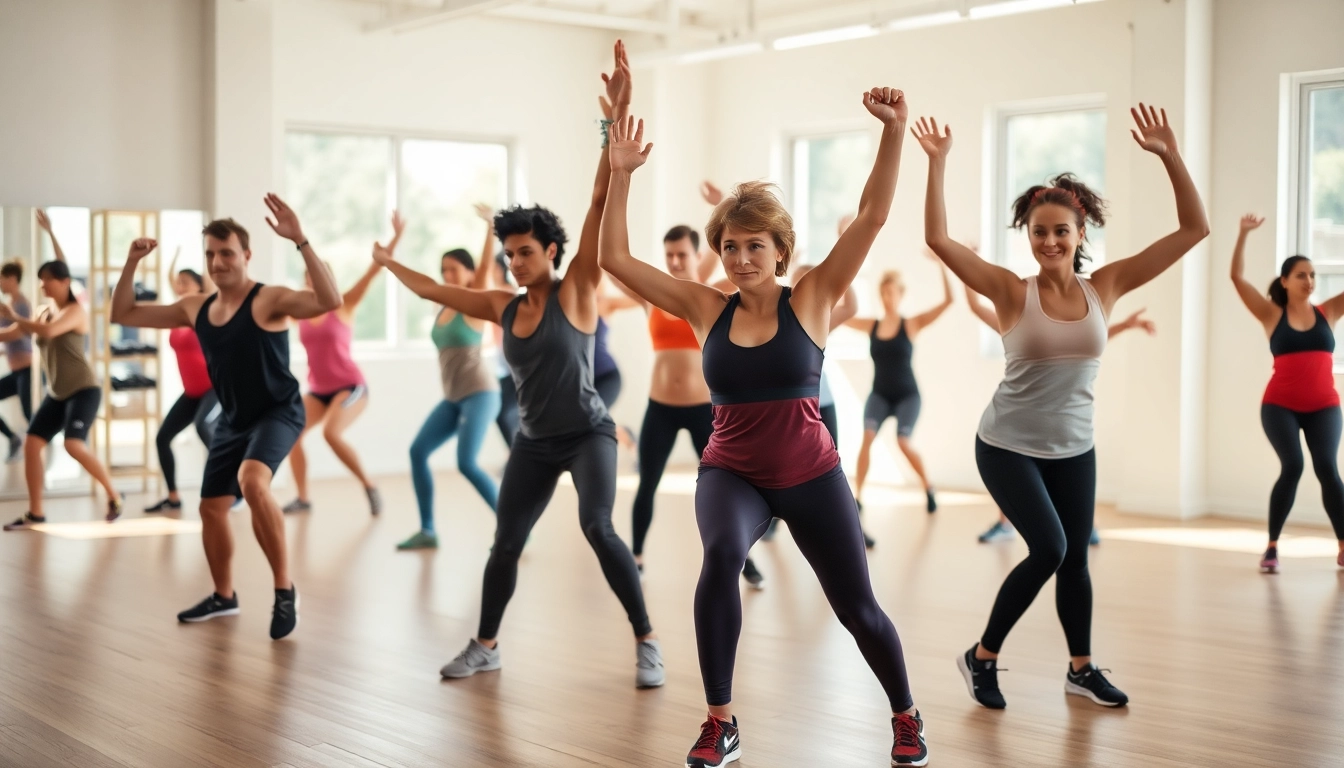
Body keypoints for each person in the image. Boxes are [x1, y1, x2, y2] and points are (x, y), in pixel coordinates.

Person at [600, 88, 930, 767]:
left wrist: (894, 131)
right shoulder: (702, 305)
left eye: (755, 246)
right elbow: (615, 260)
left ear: (781, 251)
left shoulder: (810, 298)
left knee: (857, 609)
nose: (742, 257)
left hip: (812, 474)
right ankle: (720, 720)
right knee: (721, 558)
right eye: (730, 246)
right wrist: (620, 175)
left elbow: (870, 217)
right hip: (732, 473)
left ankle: (905, 711)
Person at [377, 42, 663, 689]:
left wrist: (614, 121)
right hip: (535, 442)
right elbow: (432, 291)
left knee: (596, 526)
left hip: (589, 433)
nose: (514, 261)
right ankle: (487, 645)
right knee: (504, 543)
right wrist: (386, 263)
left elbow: (597, 201)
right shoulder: (501, 306)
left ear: (551, 251)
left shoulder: (580, 287)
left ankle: (646, 639)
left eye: (525, 251)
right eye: (508, 253)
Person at [916, 104, 1209, 710]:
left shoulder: (1106, 287)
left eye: (1061, 231)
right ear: (1028, 235)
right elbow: (938, 240)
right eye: (1039, 231)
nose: (1049, 241)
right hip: (1006, 445)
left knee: (1075, 561)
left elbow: (1193, 230)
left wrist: (1171, 156)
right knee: (1049, 550)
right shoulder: (1006, 288)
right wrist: (938, 163)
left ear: (1080, 236)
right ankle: (982, 656)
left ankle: (1081, 667)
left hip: (1075, 446)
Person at [110, 195, 342, 640]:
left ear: (246, 255)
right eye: (211, 255)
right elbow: (123, 313)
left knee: (253, 482)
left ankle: (284, 589)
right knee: (211, 508)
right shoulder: (195, 307)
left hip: (279, 411)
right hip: (235, 419)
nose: (218, 263)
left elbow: (329, 300)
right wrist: (130, 263)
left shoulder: (268, 299)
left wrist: (301, 241)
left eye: (227, 253)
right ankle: (223, 596)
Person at [964, 283, 1156, 545]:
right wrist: (965, 275)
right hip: (1021, 423)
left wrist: (1125, 325)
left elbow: (1093, 339)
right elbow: (976, 306)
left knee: (1069, 478)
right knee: (1018, 472)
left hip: (1064, 421)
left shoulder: (1067, 326)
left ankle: (1088, 526)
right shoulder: (1016, 322)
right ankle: (1005, 522)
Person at [1228, 213, 1344, 572]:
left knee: (1327, 466)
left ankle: (1343, 545)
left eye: (1312, 275)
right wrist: (1244, 234)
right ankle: (1272, 547)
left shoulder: (1329, 312)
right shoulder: (1270, 314)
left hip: (1324, 405)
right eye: (1301, 275)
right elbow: (1236, 278)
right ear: (1285, 281)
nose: (1309, 281)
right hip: (1280, 406)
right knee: (1292, 466)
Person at [397, 205, 502, 551]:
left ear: (471, 275)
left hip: (481, 393)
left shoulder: (475, 302)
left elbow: (486, 267)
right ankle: (428, 530)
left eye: (454, 270)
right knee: (417, 451)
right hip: (454, 397)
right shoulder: (442, 306)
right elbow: (421, 287)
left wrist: (490, 226)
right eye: (443, 271)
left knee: (466, 462)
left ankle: (513, 526)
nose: (447, 276)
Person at [283, 214, 401, 516]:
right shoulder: (301, 310)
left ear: (327, 278)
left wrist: (394, 239)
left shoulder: (343, 303)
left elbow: (372, 273)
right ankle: (303, 497)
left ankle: (369, 486)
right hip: (318, 390)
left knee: (331, 435)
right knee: (290, 433)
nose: (312, 279)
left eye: (318, 273)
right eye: (308, 274)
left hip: (351, 386)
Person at [1, 260, 125, 531]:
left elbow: (46, 332)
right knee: (32, 444)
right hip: (57, 393)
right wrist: (12, 323)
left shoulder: (75, 312)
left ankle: (115, 495)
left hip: (84, 389)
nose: (42, 284)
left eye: (47, 279)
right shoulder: (44, 311)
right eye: (41, 279)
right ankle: (36, 513)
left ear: (65, 281)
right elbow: (14, 333)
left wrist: (13, 315)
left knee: (73, 445)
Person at [846, 249, 951, 520]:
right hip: (880, 394)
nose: (887, 298)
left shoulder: (911, 324)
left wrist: (941, 265)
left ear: (901, 294)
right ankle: (858, 497)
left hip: (907, 396)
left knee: (903, 441)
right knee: (867, 438)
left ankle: (928, 487)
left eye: (892, 293)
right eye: (883, 293)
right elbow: (841, 313)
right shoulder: (871, 325)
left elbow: (948, 301)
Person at [144, 254, 222, 512]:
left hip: (214, 389)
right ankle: (173, 497)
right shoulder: (179, 314)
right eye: (178, 283)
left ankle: (227, 485)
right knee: (163, 437)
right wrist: (173, 261)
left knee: (203, 427)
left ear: (200, 287)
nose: (179, 287)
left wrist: (208, 257)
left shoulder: (205, 312)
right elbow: (173, 285)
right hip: (191, 393)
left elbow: (211, 287)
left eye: (186, 282)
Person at [0, 258, 34, 461]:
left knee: (30, 415)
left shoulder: (21, 305)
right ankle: (13, 438)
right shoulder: (9, 305)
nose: (0, 283)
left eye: (2, 279)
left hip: (27, 370)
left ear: (12, 279)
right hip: (16, 371)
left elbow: (17, 333)